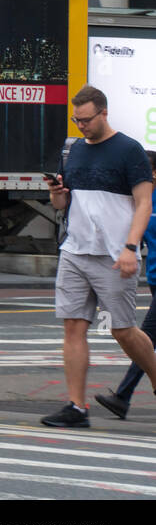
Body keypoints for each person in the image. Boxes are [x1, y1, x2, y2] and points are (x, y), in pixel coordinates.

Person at [40, 87, 156, 428]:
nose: (81, 126)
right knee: (73, 326)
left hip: (114, 255)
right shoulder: (74, 150)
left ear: (104, 113)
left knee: (123, 330)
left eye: (86, 120)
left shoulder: (129, 150)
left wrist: (130, 247)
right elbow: (64, 205)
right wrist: (55, 193)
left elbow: (144, 203)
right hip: (75, 250)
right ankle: (77, 407)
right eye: (76, 120)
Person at [96, 150, 156, 419]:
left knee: (144, 337)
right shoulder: (140, 201)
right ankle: (122, 397)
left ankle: (123, 396)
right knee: (147, 340)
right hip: (154, 278)